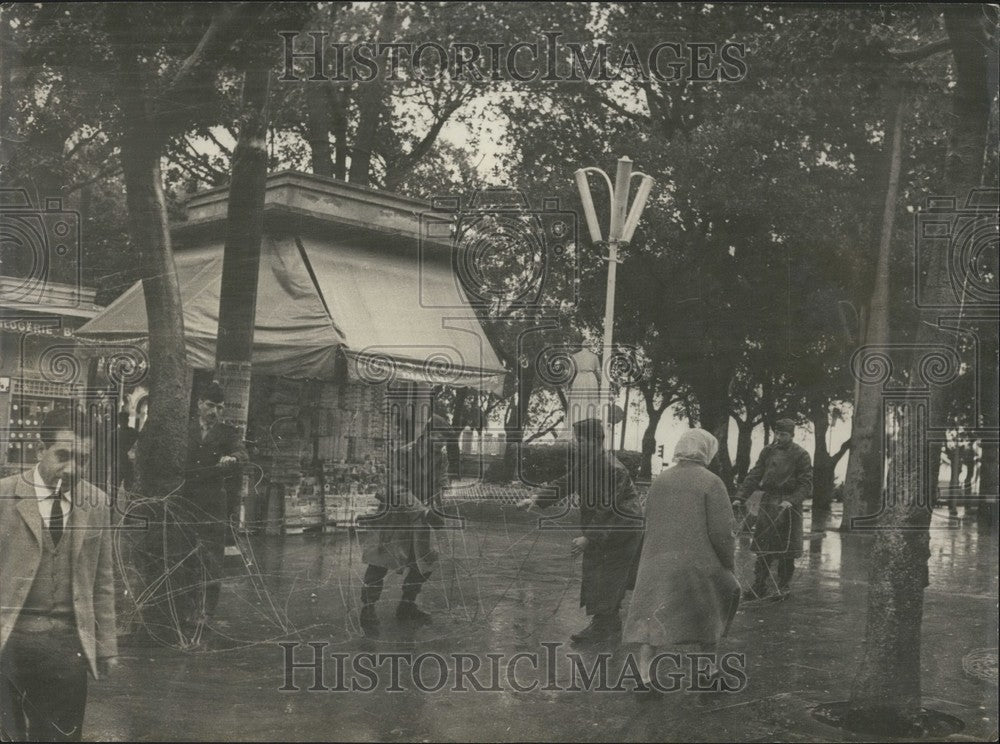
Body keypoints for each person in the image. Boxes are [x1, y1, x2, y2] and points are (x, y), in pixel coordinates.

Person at [0, 408, 118, 741]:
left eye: (82, 459)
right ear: (39, 449)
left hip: (67, 646)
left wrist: (107, 645)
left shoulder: (95, 502)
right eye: (62, 456)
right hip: (8, 640)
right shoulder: (5, 496)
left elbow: (103, 581)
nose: (72, 468)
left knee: (60, 736)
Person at [622, 429, 740, 696]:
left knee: (653, 618)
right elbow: (722, 532)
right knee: (710, 612)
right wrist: (728, 564)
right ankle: (708, 673)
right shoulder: (712, 482)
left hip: (657, 561)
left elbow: (646, 518)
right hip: (698, 563)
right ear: (706, 451)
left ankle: (643, 677)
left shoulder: (660, 480)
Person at [518, 417, 644, 645]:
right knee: (598, 570)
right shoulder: (587, 462)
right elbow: (566, 482)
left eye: (582, 440)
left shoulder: (612, 468)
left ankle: (604, 626)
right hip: (608, 527)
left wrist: (589, 537)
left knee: (608, 573)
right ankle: (608, 623)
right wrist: (536, 499)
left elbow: (608, 507)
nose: (577, 444)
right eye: (578, 439)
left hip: (622, 529)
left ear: (597, 440)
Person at [358, 414, 450, 637]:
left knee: (424, 563)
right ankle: (368, 608)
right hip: (396, 517)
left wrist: (439, 505)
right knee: (379, 563)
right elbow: (398, 488)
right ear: (428, 433)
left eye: (445, 439)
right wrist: (425, 511)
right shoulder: (404, 453)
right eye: (438, 437)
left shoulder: (440, 457)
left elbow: (441, 483)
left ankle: (406, 605)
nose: (442, 443)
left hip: (421, 520)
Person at [182, 381, 248, 630]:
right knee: (185, 556)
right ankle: (187, 609)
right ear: (199, 403)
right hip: (185, 501)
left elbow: (242, 453)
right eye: (210, 406)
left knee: (211, 559)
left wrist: (232, 458)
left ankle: (206, 612)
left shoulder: (228, 433)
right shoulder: (185, 428)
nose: (215, 412)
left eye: (220, 408)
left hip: (212, 505)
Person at [734, 418, 813, 600]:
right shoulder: (768, 452)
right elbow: (755, 474)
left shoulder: (801, 455)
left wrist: (792, 500)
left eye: (783, 434)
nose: (779, 437)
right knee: (763, 547)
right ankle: (759, 585)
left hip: (788, 506)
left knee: (786, 550)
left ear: (792, 435)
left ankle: (782, 587)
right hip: (768, 502)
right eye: (777, 433)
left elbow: (806, 484)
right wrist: (741, 497)